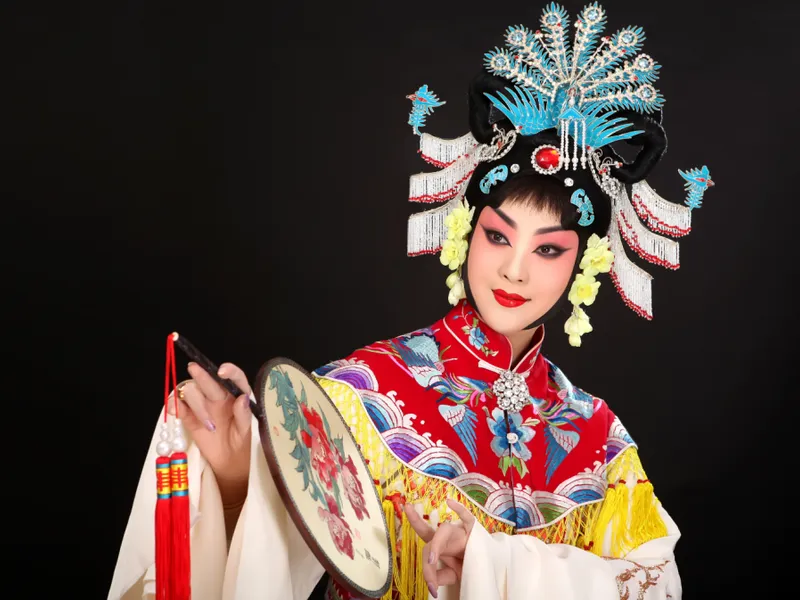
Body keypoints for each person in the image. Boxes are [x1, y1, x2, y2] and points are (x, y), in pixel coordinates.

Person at [108, 3, 713, 599]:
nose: (514, 269)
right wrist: (239, 477)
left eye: (549, 250)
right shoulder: (361, 395)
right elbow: (273, 561)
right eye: (498, 236)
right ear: (465, 232)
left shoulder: (600, 440)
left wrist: (489, 559)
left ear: (585, 267)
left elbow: (656, 583)